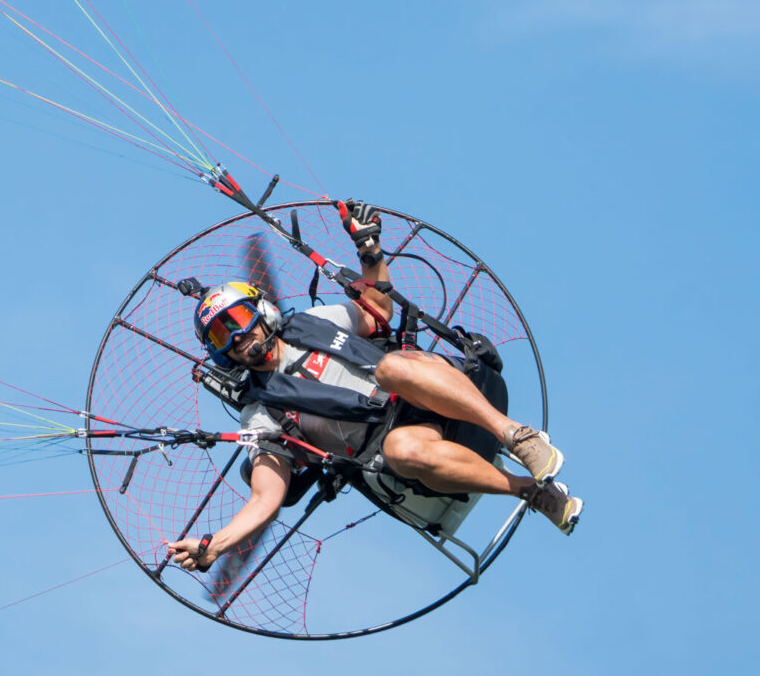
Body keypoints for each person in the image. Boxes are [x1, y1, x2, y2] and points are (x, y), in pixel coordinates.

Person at [166, 201, 580, 575]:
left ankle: (517, 436)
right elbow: (265, 497)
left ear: (261, 312)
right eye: (221, 336)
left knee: (390, 369)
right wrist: (215, 545)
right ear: (222, 355)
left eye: (237, 320)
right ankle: (533, 492)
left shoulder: (315, 320)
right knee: (400, 449)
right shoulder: (259, 412)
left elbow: (378, 309)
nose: (236, 336)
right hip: (404, 451)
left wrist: (369, 250)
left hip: (435, 389)